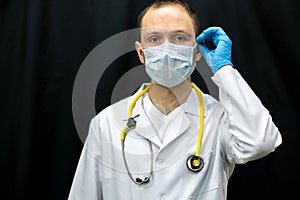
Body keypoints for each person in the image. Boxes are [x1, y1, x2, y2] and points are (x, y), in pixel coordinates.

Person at [68, 0, 282, 199]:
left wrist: (224, 69)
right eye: (154, 39)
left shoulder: (219, 117)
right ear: (141, 53)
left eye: (179, 38)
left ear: (196, 51)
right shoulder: (107, 123)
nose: (167, 49)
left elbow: (261, 142)